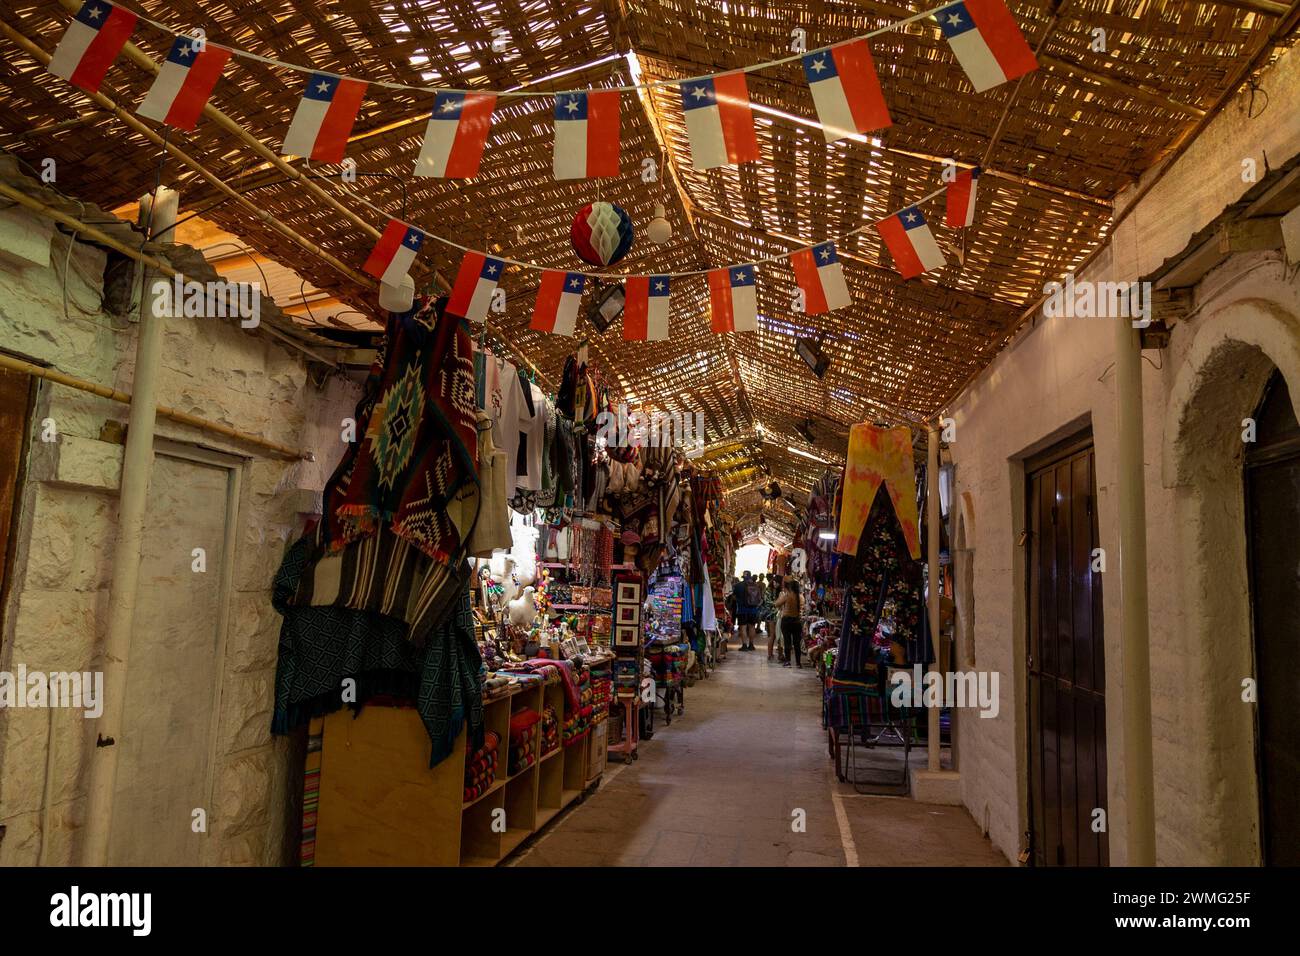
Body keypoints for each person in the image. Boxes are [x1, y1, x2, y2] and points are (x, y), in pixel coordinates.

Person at [774, 579, 803, 668]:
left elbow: (776, 604)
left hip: (786, 621)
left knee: (787, 642)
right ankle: (798, 663)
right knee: (797, 643)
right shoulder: (801, 597)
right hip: (797, 621)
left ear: (790, 587)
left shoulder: (787, 596)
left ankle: (788, 662)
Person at [733, 571, 759, 651]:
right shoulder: (755, 585)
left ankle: (744, 645)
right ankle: (751, 645)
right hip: (753, 610)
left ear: (743, 577)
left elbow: (734, 597)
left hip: (742, 610)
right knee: (752, 627)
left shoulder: (738, 586)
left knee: (743, 627)